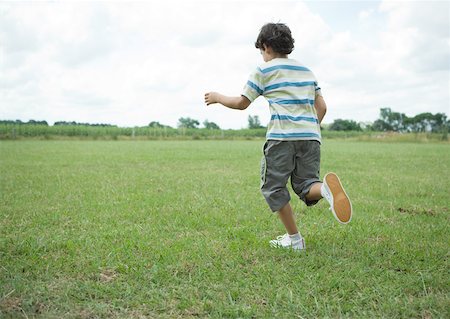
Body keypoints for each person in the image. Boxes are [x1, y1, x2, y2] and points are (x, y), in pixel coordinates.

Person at [204, 23, 352, 251]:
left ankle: (295, 240)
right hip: (311, 137)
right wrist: (310, 128)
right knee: (306, 184)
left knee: (273, 187)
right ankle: (324, 189)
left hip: (282, 138)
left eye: (261, 51)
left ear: (266, 46)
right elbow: (321, 106)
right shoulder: (306, 71)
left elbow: (241, 103)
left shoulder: (264, 70)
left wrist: (217, 96)